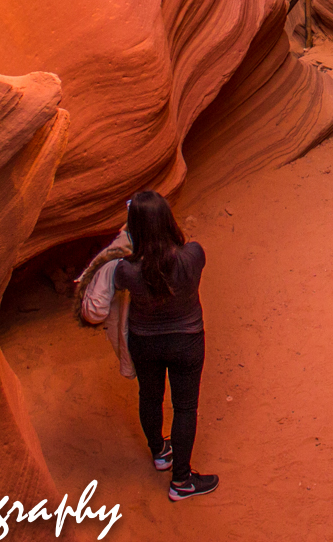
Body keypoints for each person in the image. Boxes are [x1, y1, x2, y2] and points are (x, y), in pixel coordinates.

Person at [79, 190, 217, 499]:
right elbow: (175, 252)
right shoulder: (194, 254)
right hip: (187, 341)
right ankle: (181, 482)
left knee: (150, 398)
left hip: (145, 343)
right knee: (185, 408)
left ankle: (159, 453)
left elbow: (97, 301)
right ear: (168, 220)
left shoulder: (125, 270)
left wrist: (127, 237)